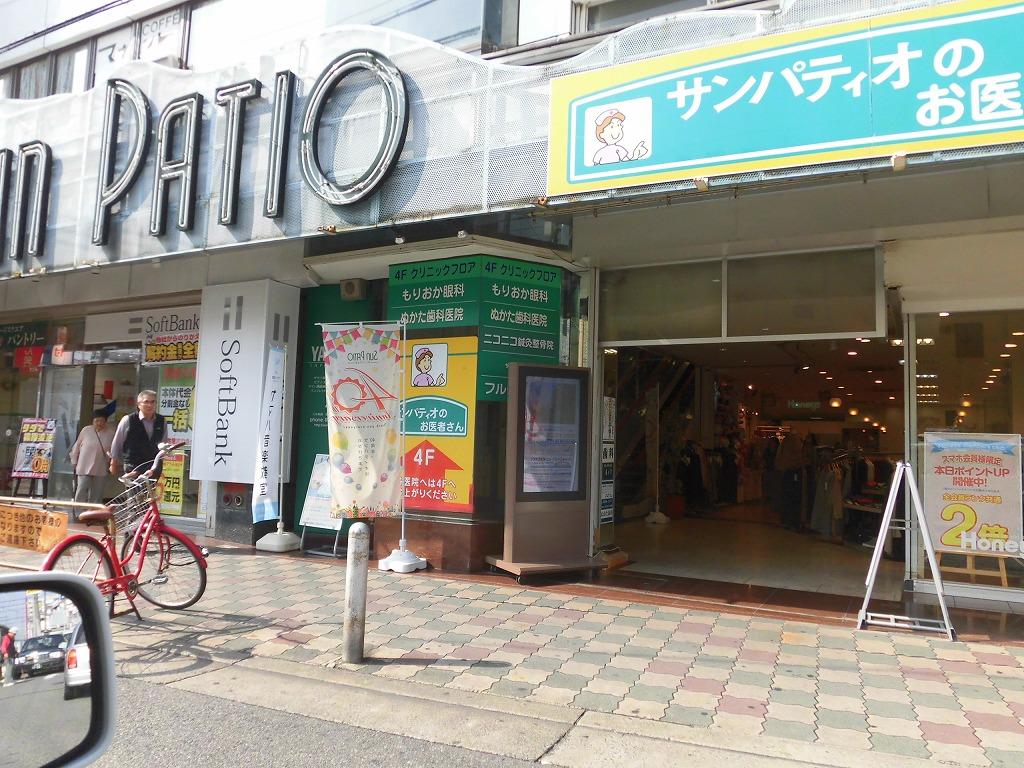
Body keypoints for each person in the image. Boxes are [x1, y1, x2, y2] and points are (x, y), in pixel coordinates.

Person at [109, 390, 167, 479]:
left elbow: (163, 443)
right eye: (146, 402)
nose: (150, 405)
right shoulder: (128, 420)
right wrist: (113, 463)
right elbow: (117, 443)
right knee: (134, 488)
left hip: (152, 467)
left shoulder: (162, 421)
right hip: (133, 466)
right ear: (139, 404)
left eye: (153, 402)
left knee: (150, 488)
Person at [69, 409, 115, 505]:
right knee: (82, 488)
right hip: (84, 465)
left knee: (97, 493)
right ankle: (78, 510)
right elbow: (77, 446)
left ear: (106, 422)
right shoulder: (86, 430)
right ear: (93, 421)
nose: (99, 423)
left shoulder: (110, 433)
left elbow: (112, 450)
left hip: (100, 466)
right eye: (97, 421)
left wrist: (112, 460)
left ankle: (93, 511)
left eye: (102, 421)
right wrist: (74, 461)